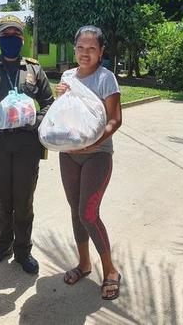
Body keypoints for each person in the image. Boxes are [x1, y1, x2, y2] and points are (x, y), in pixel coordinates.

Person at [0, 14, 54, 274]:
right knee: (1, 199)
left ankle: (23, 251)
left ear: (22, 39)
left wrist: (36, 120)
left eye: (16, 35)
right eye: (6, 35)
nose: (11, 39)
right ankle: (3, 245)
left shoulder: (33, 69)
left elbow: (51, 103)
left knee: (23, 200)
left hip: (26, 145)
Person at [55, 25, 122, 300]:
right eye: (81, 47)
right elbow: (65, 114)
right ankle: (84, 264)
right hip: (69, 154)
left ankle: (111, 270)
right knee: (75, 211)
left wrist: (95, 142)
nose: (85, 53)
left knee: (88, 213)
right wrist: (61, 97)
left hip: (97, 154)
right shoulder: (67, 76)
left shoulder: (107, 79)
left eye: (92, 48)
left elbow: (115, 119)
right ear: (74, 48)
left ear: (101, 51)